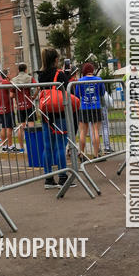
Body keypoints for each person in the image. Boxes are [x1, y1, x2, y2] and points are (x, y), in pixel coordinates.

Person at [37, 49, 78, 189]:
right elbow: (68, 90)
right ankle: (62, 178)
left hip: (46, 113)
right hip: (59, 113)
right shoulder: (59, 74)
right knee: (60, 145)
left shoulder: (41, 75)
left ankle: (48, 179)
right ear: (55, 59)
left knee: (48, 146)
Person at [73, 63, 106, 160]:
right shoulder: (99, 79)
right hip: (96, 106)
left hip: (84, 107)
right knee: (95, 131)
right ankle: (96, 155)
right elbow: (102, 92)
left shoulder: (80, 80)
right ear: (92, 70)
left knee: (83, 132)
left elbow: (77, 94)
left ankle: (81, 154)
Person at [11, 63, 35, 153]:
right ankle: (32, 147)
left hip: (20, 105)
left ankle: (21, 148)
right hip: (29, 104)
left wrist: (17, 96)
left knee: (21, 127)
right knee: (31, 126)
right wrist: (33, 97)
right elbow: (38, 87)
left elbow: (11, 95)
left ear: (18, 70)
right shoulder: (30, 78)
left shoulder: (14, 80)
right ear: (25, 70)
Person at [0, 69, 15, 152]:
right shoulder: (8, 83)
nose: (10, 75)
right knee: (9, 127)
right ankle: (10, 146)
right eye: (9, 73)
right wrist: (15, 95)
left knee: (3, 127)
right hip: (8, 108)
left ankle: (4, 146)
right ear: (7, 75)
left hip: (1, 108)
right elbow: (11, 95)